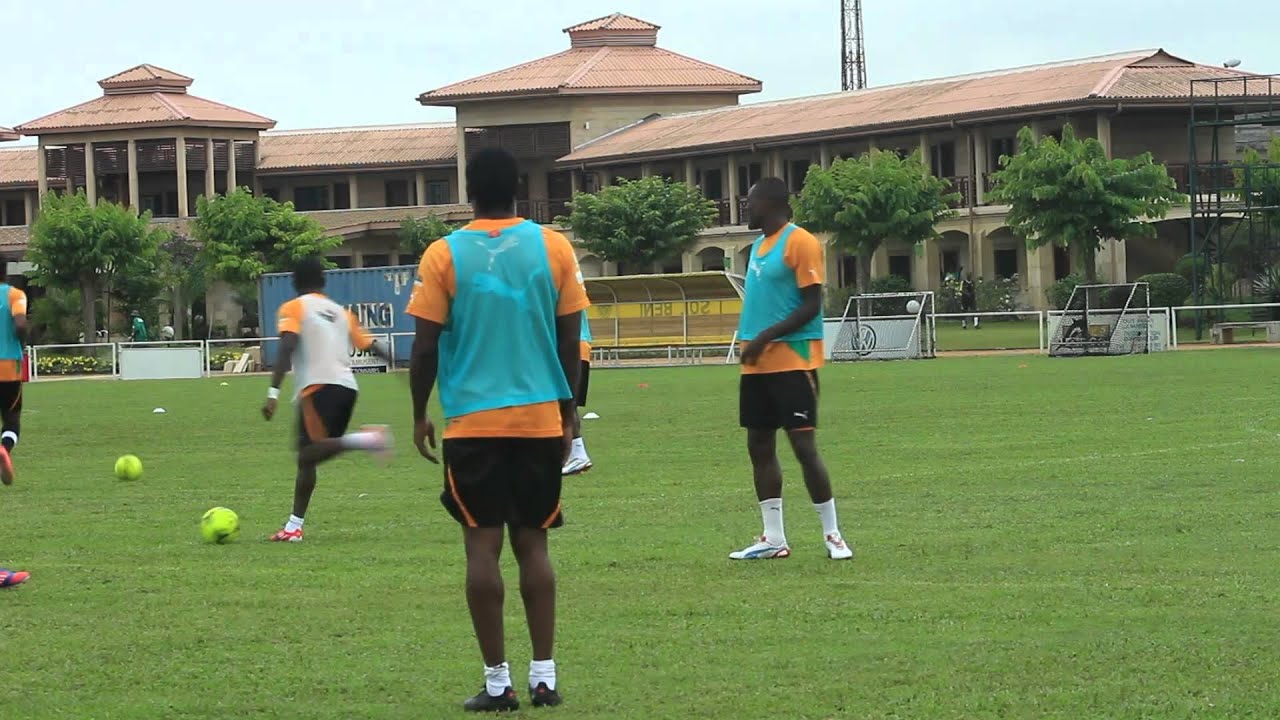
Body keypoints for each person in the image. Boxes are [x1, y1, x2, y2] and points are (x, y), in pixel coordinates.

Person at [406, 147, 587, 712]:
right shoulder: (553, 246)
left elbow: (425, 346)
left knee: (480, 549)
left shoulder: (443, 255)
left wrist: (419, 413)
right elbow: (569, 342)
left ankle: (496, 684)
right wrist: (569, 413)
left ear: (468, 189)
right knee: (533, 544)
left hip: (473, 424)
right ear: (518, 189)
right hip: (538, 420)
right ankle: (545, 678)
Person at [732, 177, 852, 562]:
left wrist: (765, 338)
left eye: (750, 201)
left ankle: (833, 535)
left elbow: (810, 305)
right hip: (757, 368)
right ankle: (773, 538)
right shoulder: (756, 248)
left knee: (803, 448)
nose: (745, 208)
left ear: (770, 203)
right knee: (759, 447)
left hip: (793, 362)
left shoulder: (800, 242)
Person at [261, 257, 394, 542]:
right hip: (347, 388)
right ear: (323, 281)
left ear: (295, 282)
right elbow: (369, 343)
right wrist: (402, 364)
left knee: (308, 454)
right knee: (310, 459)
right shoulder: (340, 311)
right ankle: (294, 527)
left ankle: (368, 440)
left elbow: (287, 345)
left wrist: (273, 392)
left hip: (317, 389)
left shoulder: (294, 307)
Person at [0, 261, 29, 486]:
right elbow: (20, 324)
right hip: (9, 367)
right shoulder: (15, 295)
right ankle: (4, 448)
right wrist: (23, 341)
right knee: (12, 420)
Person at [562, 310, 593, 476]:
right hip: (579, 346)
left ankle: (577, 455)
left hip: (573, 347)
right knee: (569, 404)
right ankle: (576, 454)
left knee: (567, 403)